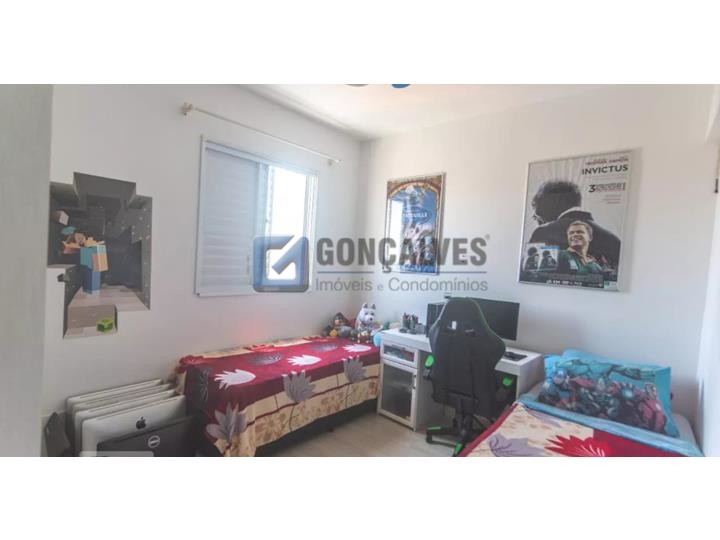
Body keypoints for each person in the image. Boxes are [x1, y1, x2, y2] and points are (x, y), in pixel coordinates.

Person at [529, 180, 621, 265]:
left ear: (548, 207)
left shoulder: (543, 232)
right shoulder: (614, 240)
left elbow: (531, 273)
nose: (538, 221)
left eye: (538, 216)